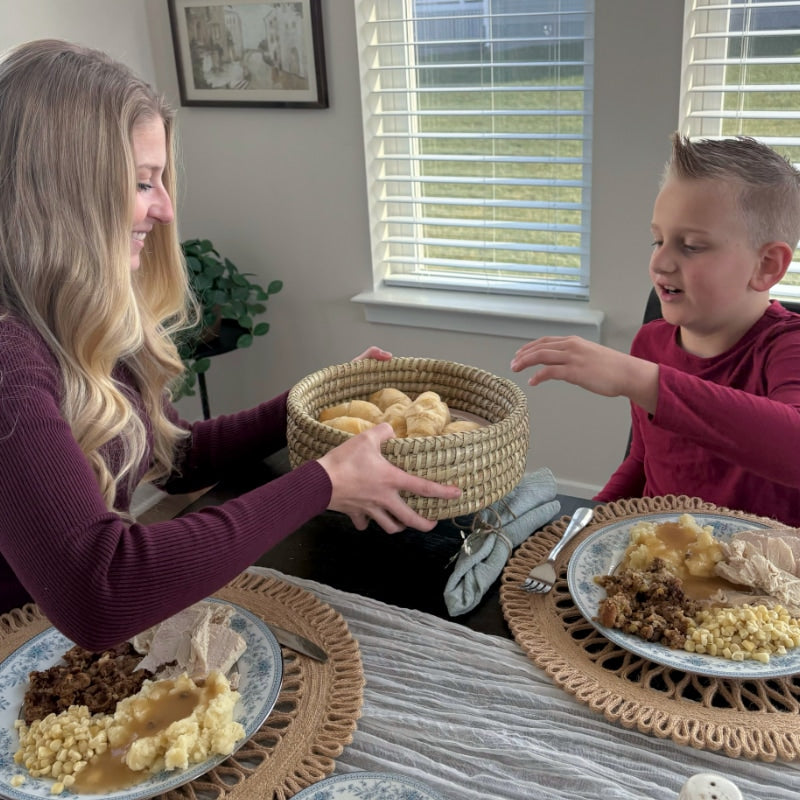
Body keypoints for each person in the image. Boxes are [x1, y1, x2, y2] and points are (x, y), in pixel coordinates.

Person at [0, 39, 460, 650]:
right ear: (63, 196)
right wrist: (323, 483)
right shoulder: (9, 363)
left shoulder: (78, 321)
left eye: (161, 180)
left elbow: (175, 454)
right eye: (142, 182)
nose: (164, 208)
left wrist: (311, 404)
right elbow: (101, 588)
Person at [511, 132, 800, 526]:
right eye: (657, 240)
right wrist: (585, 523)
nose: (661, 263)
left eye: (692, 245)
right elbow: (644, 463)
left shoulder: (787, 347)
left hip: (760, 578)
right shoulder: (651, 342)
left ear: (767, 265)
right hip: (656, 563)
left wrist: (642, 380)